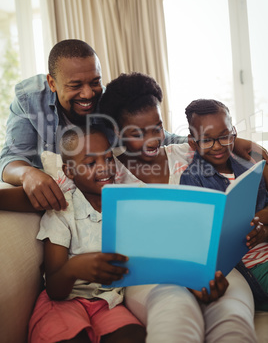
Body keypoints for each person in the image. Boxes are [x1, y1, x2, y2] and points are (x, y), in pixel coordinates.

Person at [0, 39, 266, 212]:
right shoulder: (29, 100)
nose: (88, 94)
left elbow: (161, 138)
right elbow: (11, 158)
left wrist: (225, 141)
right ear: (52, 82)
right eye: (75, 86)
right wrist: (27, 174)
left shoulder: (109, 104)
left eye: (94, 81)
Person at [99, 72, 258, 342]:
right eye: (137, 133)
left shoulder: (189, 152)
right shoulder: (105, 173)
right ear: (116, 131)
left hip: (214, 269)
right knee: (176, 317)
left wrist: (244, 143)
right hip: (151, 278)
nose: (152, 139)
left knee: (233, 320)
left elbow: (224, 144)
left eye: (157, 127)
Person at [28, 125, 146, 343]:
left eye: (109, 159)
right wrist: (74, 268)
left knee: (134, 336)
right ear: (69, 171)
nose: (104, 168)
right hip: (64, 303)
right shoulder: (63, 211)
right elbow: (55, 289)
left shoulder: (126, 205)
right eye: (91, 163)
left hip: (108, 301)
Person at [180, 98, 268, 311]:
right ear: (193, 143)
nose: (218, 146)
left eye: (224, 137)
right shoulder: (192, 179)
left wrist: (262, 225)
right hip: (252, 267)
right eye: (207, 140)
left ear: (234, 133)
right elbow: (199, 236)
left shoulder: (248, 167)